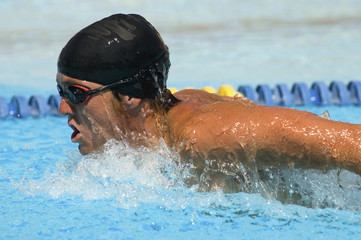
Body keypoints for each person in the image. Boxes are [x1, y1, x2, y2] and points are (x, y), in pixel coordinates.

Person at [56, 13, 361, 193]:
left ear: (130, 95)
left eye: (76, 94)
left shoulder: (207, 135)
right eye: (60, 92)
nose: (63, 108)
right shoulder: (163, 128)